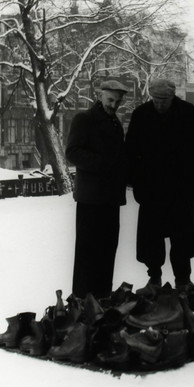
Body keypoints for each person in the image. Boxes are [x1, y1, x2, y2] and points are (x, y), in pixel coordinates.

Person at [126, 78, 194, 290]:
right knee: (151, 238)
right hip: (151, 189)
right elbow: (130, 151)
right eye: (156, 99)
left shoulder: (188, 113)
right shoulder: (141, 115)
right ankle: (154, 279)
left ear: (173, 97)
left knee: (182, 236)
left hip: (182, 189)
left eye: (164, 99)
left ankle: (183, 280)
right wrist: (136, 182)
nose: (159, 103)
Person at [65, 80, 128, 298]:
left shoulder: (115, 123)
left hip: (110, 197)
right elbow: (72, 152)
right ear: (100, 96)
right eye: (110, 100)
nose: (114, 105)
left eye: (118, 101)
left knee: (108, 247)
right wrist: (102, 164)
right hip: (91, 198)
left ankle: (103, 294)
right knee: (87, 250)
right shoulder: (84, 119)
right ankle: (82, 298)